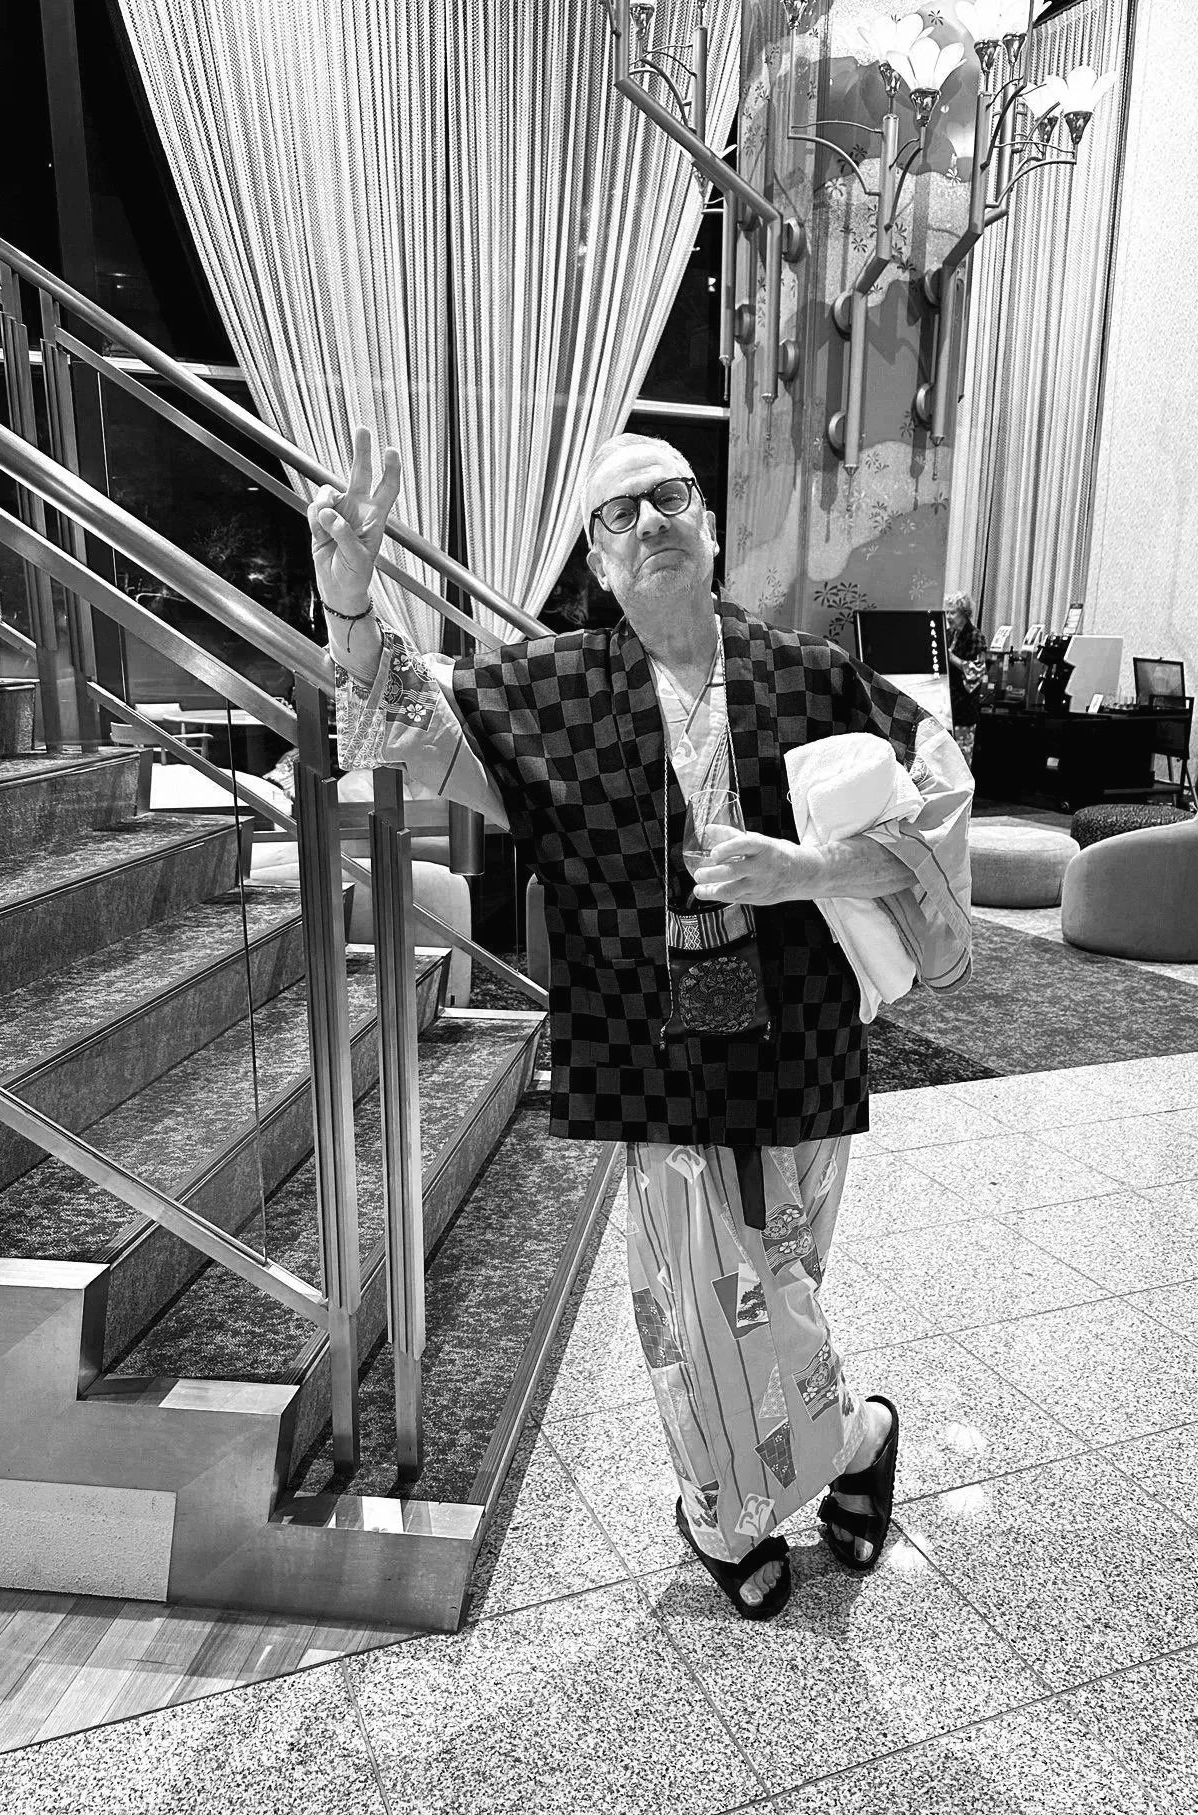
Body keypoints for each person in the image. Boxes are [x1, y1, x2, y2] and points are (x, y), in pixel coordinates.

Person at [310, 428, 973, 1619]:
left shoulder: (815, 675)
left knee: (785, 1290)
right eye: (619, 513)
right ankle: (779, 1485)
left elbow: (938, 806)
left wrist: (809, 869)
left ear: (708, 525)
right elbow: (403, 712)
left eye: (669, 496)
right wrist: (351, 603)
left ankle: (819, 1458)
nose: (650, 521)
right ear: (596, 561)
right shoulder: (548, 690)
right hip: (650, 1049)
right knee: (699, 1310)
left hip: (803, 1036)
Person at [945, 591, 988, 766]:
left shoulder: (975, 637)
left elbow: (977, 671)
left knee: (961, 761)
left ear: (964, 613)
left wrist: (951, 658)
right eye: (947, 612)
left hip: (964, 708)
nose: (948, 617)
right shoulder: (948, 634)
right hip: (946, 707)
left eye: (952, 613)